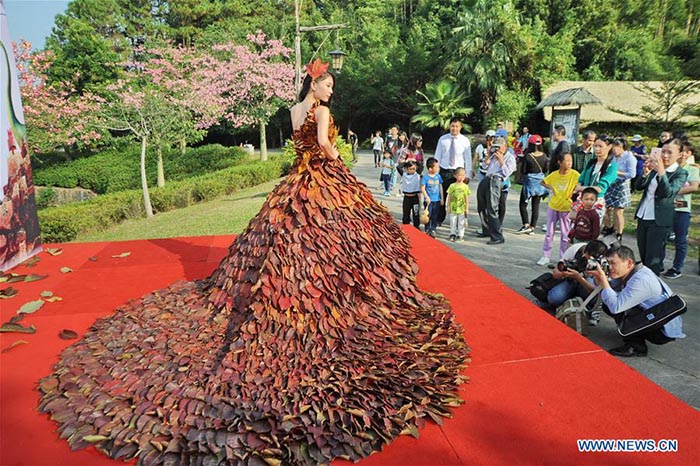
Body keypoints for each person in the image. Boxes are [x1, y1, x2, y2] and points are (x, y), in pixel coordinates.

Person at [36, 59, 470, 466]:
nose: (330, 90)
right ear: (314, 83)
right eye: (327, 84)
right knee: (334, 242)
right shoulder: (318, 114)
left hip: (297, 182)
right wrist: (340, 161)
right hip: (324, 183)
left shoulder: (296, 109)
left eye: (331, 85)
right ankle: (335, 300)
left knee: (286, 240)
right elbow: (322, 146)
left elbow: (299, 148)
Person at [588, 245, 685, 357]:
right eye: (607, 263)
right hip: (655, 318)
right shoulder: (633, 271)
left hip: (662, 330)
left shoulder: (641, 280)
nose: (609, 267)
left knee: (617, 306)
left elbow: (616, 307)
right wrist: (599, 280)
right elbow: (611, 288)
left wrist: (604, 280)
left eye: (613, 263)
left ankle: (636, 347)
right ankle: (632, 334)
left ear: (629, 263)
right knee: (609, 302)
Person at [634, 139, 688, 275]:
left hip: (659, 221)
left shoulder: (680, 173)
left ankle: (652, 289)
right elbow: (638, 186)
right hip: (643, 215)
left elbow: (667, 193)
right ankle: (643, 287)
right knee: (644, 256)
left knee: (653, 261)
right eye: (663, 151)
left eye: (670, 152)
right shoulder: (655, 168)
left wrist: (662, 172)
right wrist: (645, 172)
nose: (665, 155)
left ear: (680, 154)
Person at [663, 142, 699, 279]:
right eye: (682, 151)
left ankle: (677, 267)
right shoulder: (669, 168)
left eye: (687, 152)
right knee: (662, 237)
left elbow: (694, 187)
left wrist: (670, 191)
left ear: (690, 154)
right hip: (666, 208)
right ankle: (658, 263)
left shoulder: (693, 170)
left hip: (682, 209)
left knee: (680, 239)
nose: (684, 154)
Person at [539, 239, 607, 311]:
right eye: (586, 256)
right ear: (584, 250)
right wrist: (564, 273)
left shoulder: (603, 264)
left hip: (587, 283)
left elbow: (596, 292)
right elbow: (555, 273)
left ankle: (584, 306)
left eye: (590, 260)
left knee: (593, 298)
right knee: (554, 298)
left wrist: (579, 278)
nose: (586, 260)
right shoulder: (576, 249)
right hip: (570, 280)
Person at [537, 152, 579, 266]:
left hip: (566, 208)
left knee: (565, 234)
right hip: (553, 206)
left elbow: (580, 185)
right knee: (549, 233)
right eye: (567, 161)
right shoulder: (554, 175)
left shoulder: (575, 175)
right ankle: (546, 255)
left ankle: (563, 257)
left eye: (571, 161)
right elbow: (543, 182)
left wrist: (575, 192)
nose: (570, 163)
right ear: (559, 162)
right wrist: (551, 188)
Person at [476, 137, 515, 245]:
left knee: (492, 208)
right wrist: (488, 155)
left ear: (505, 147)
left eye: (499, 147)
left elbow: (507, 173)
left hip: (497, 180)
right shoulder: (493, 155)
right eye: (495, 147)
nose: (497, 149)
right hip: (487, 178)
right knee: (482, 205)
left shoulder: (509, 157)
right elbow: (483, 166)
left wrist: (501, 161)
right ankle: (486, 229)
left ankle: (497, 236)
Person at [434, 117, 472, 224]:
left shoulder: (465, 141)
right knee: (441, 196)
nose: (454, 128)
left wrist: (467, 174)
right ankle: (438, 219)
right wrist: (435, 172)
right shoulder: (443, 139)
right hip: (444, 171)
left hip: (457, 173)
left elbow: (468, 159)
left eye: (456, 126)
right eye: (452, 126)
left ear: (460, 127)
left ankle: (456, 221)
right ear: (449, 126)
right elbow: (438, 155)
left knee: (457, 198)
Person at [574, 134, 618, 221]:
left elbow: (599, 188)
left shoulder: (612, 166)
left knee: (591, 230)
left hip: (596, 201)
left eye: (600, 146)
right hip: (582, 200)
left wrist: (581, 188)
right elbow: (580, 180)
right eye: (595, 146)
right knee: (577, 228)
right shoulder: (591, 162)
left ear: (609, 147)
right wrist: (579, 187)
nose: (597, 149)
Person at [602, 138, 636, 242]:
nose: (613, 151)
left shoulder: (630, 158)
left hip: (622, 184)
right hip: (612, 183)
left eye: (615, 148)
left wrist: (617, 172)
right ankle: (609, 227)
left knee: (618, 211)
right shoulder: (613, 157)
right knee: (604, 207)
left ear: (621, 148)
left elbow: (632, 174)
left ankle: (619, 233)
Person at [517, 134, 549, 235]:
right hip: (540, 183)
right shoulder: (544, 156)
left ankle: (525, 224)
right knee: (536, 206)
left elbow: (523, 170)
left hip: (529, 183)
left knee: (523, 204)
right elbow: (545, 170)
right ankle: (532, 227)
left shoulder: (528, 156)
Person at [445, 167, 470, 241]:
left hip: (462, 208)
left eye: (463, 175)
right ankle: (452, 234)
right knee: (453, 221)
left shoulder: (465, 187)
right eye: (459, 175)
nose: (461, 177)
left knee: (461, 222)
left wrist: (467, 208)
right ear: (455, 175)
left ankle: (460, 235)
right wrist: (448, 206)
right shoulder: (452, 186)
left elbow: (466, 198)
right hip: (453, 207)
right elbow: (450, 196)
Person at [421, 157, 443, 237]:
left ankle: (433, 229)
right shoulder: (425, 177)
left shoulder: (438, 177)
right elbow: (422, 188)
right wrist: (426, 197)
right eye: (436, 167)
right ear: (430, 168)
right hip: (428, 200)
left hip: (436, 200)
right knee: (428, 215)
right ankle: (427, 229)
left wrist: (442, 198)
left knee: (435, 215)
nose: (438, 168)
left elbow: (440, 187)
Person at [401, 160, 422, 228]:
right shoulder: (404, 174)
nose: (412, 170)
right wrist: (405, 162)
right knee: (406, 213)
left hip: (415, 198)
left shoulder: (417, 174)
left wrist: (415, 161)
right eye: (410, 169)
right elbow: (399, 167)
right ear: (407, 169)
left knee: (416, 213)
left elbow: (421, 165)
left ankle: (416, 227)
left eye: (413, 169)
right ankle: (406, 227)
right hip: (407, 197)